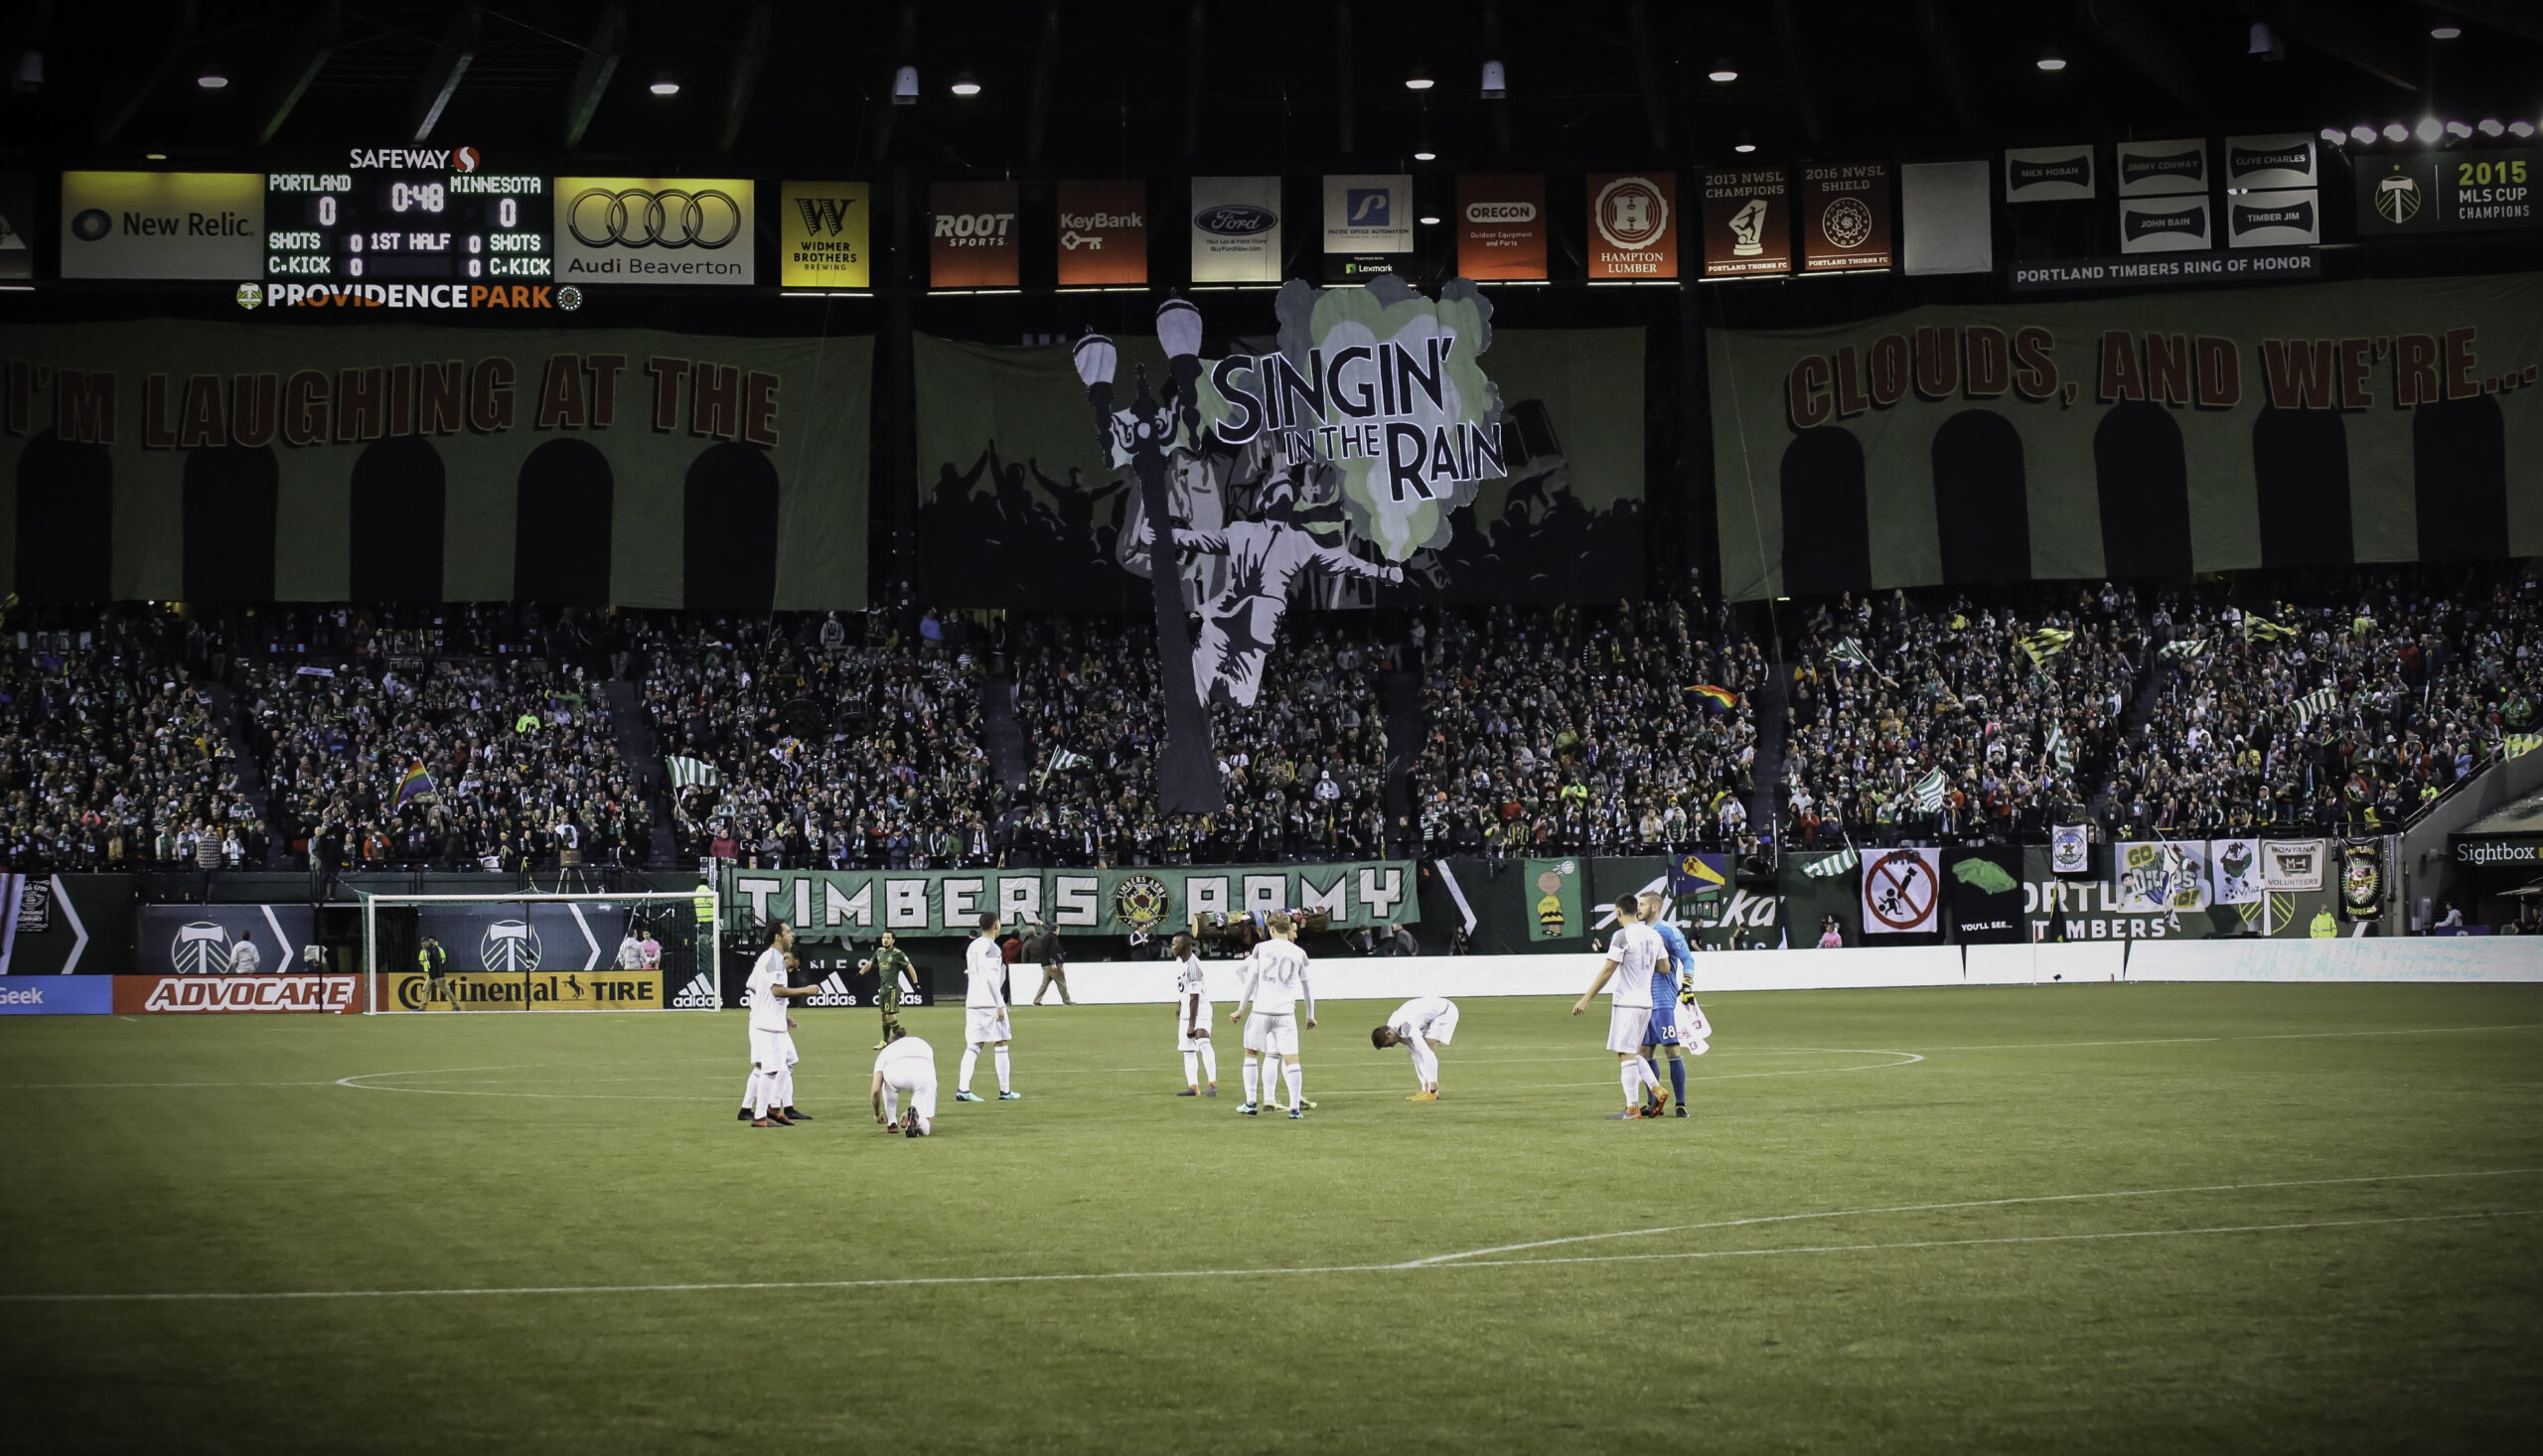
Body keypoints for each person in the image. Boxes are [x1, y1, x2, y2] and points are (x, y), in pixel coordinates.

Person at [1571, 895, 1669, 1120]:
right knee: (1631, 1052)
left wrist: (1586, 998)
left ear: (1618, 912)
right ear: (1636, 910)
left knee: (1624, 1053)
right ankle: (1656, 1088)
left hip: (1626, 1002)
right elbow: (1665, 967)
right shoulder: (1654, 935)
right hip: (1646, 1002)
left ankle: (1632, 1109)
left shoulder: (1622, 935)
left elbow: (1608, 970)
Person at [1229, 910, 1314, 1118]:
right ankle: (1294, 1109)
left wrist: (1241, 1008)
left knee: (1251, 1053)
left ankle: (1250, 1103)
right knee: (1291, 1058)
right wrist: (1310, 1014)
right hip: (1285, 1012)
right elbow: (1307, 987)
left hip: (1261, 1010)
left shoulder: (1261, 948)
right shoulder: (1298, 952)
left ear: (1271, 927)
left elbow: (1251, 979)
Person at [742, 920, 818, 1128]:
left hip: (771, 1021)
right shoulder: (774, 958)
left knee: (789, 1061)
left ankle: (774, 1109)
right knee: (770, 1069)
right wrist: (805, 990)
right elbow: (776, 991)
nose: (791, 935)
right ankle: (759, 1117)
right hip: (767, 1024)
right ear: (778, 936)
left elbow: (755, 987)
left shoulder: (767, 957)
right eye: (788, 932)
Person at [1636, 892, 1705, 1118]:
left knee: (1671, 1049)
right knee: (1645, 1051)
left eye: (1643, 904)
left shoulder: (1667, 931)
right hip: (1644, 1001)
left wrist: (1687, 984)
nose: (1639, 908)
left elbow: (1688, 958)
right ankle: (1654, 1102)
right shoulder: (1640, 932)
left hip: (1663, 999)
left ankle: (1681, 1104)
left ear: (1655, 907)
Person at [956, 912, 1021, 1102]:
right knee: (1000, 1042)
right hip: (989, 1002)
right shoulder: (992, 947)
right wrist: (999, 1003)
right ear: (996, 925)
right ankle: (1005, 1091)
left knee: (974, 1045)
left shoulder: (973, 946)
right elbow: (990, 977)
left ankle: (963, 1089)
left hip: (972, 1002)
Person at [1372, 995, 1459, 1100]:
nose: (1391, 1046)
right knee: (1415, 1053)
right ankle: (1425, 1090)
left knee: (1427, 1047)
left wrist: (1432, 1082)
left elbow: (1425, 1053)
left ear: (1389, 1033)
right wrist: (1424, 1085)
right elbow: (1415, 1055)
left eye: (1388, 1044)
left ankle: (1433, 1092)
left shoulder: (1406, 1027)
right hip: (1429, 1014)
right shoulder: (1393, 1028)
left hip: (1445, 1011)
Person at [1172, 933, 1218, 1096]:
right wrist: (1179, 1005)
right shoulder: (1179, 963)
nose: (1172, 948)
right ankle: (1193, 1087)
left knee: (1203, 1041)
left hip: (1200, 1009)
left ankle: (1212, 1084)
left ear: (1183, 946)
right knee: (1188, 1049)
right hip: (1187, 1009)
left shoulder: (1193, 966)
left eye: (1174, 945)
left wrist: (1192, 1024)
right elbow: (1183, 988)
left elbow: (1195, 997)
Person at [871, 1034, 939, 1137]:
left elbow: (875, 1090)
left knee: (886, 1081)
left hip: (895, 1075)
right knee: (925, 1121)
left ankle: (892, 1123)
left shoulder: (885, 1052)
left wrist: (877, 1114)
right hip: (923, 1073)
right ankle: (916, 1119)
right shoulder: (921, 1043)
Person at [859, 930, 915, 1049]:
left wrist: (915, 983)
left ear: (893, 940)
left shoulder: (898, 953)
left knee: (890, 1015)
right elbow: (870, 963)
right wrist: (860, 973)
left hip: (892, 989)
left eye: (888, 938)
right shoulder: (879, 952)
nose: (885, 939)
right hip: (883, 988)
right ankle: (885, 1041)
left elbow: (909, 967)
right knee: (883, 1015)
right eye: (884, 937)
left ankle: (901, 1039)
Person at [1030, 918, 1073, 1005]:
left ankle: (1037, 1001)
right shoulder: (1053, 938)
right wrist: (1053, 963)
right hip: (1051, 965)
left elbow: (1047, 929)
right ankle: (1067, 1000)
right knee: (1061, 981)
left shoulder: (1048, 935)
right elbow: (1052, 950)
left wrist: (1041, 924)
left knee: (1044, 984)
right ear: (1057, 930)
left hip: (1045, 964)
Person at [417, 935, 450, 1008]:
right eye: (422, 945)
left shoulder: (436, 949)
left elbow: (439, 963)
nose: (423, 946)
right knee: (425, 989)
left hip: (437, 975)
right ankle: (422, 1007)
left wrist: (442, 975)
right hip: (431, 974)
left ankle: (455, 1006)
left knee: (446, 990)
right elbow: (422, 961)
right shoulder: (425, 950)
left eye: (424, 944)